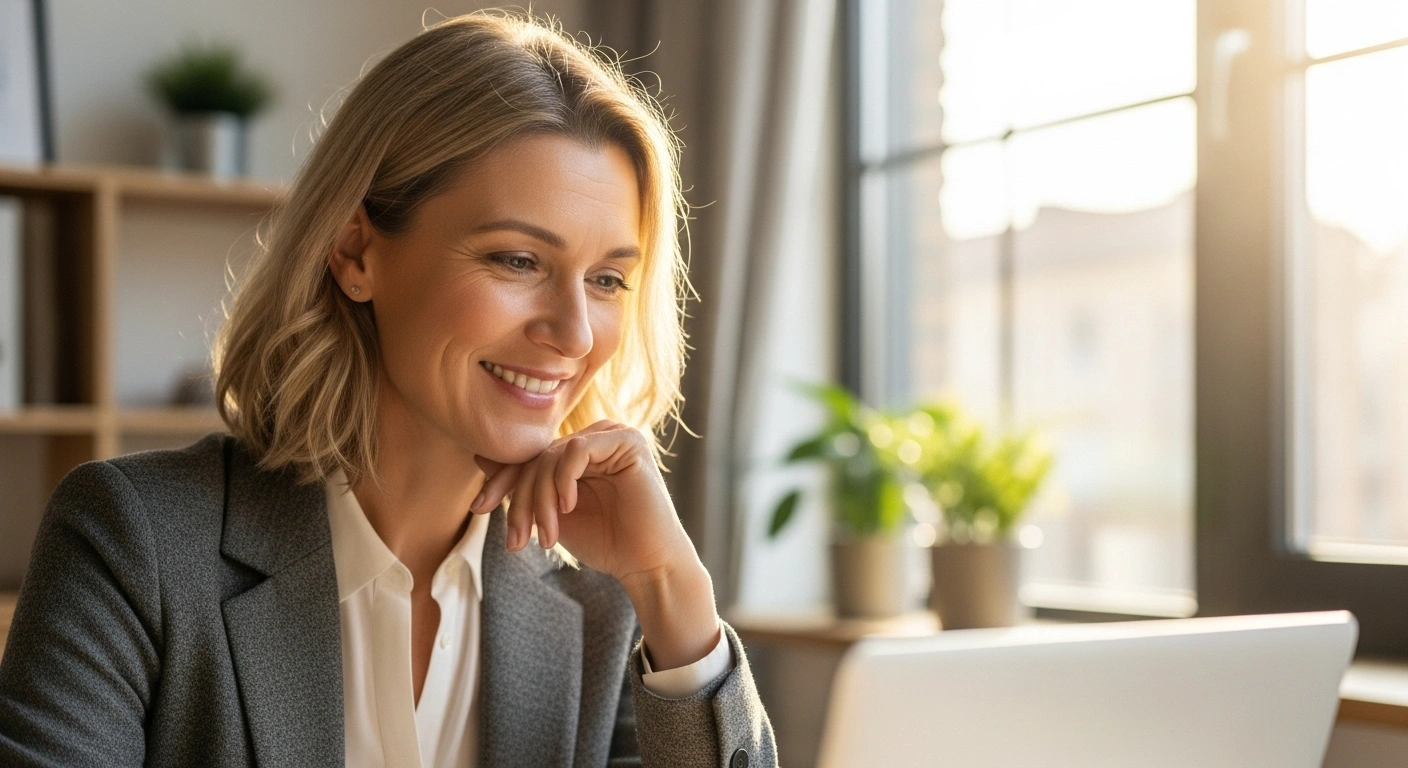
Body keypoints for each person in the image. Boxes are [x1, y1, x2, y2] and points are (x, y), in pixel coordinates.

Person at [0, 11, 777, 768]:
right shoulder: (132, 544)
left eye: (608, 279)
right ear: (356, 252)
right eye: (517, 261)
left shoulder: (599, 607)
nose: (575, 334)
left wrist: (673, 590)